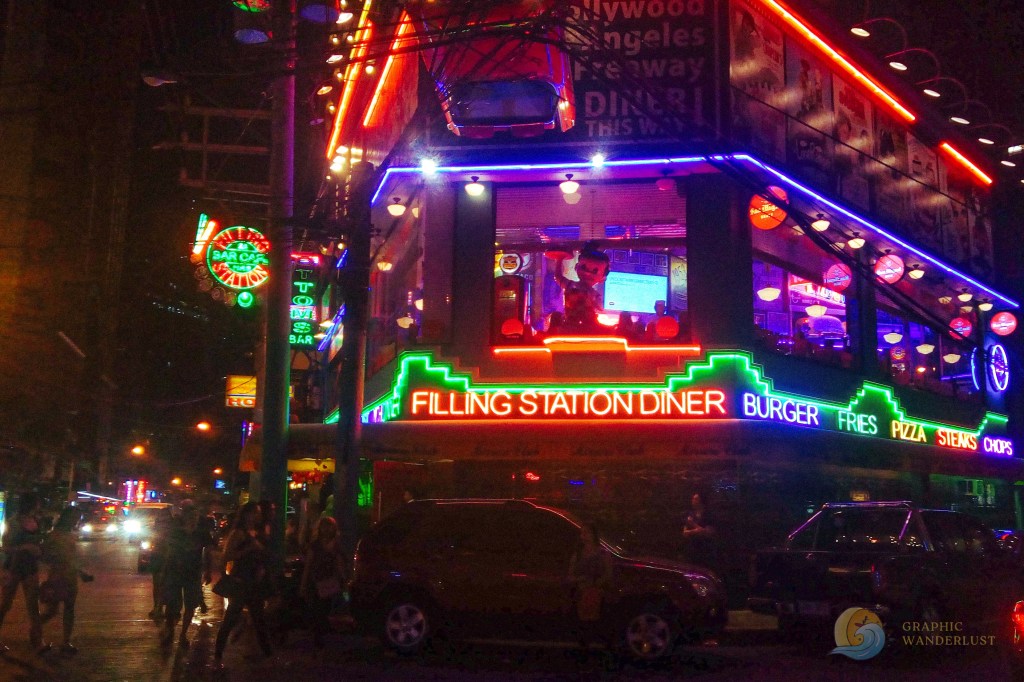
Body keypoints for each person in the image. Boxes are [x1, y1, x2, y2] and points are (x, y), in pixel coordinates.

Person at [213, 502, 273, 669]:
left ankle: (268, 655)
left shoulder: (258, 533)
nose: (257, 516)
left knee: (259, 619)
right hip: (242, 580)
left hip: (254, 581)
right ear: (246, 514)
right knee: (230, 619)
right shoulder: (239, 533)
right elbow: (227, 556)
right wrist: (247, 551)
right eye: (255, 513)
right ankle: (218, 655)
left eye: (259, 513)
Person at [160, 503, 215, 648]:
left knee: (190, 605)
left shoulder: (201, 531)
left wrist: (208, 570)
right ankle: (170, 629)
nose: (193, 517)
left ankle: (183, 633)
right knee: (173, 604)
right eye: (190, 514)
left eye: (194, 514)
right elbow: (168, 551)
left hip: (192, 572)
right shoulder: (176, 530)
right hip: (175, 571)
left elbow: (208, 551)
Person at [40, 507, 93, 654]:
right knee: (53, 610)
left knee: (67, 609)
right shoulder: (55, 536)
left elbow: (71, 558)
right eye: (76, 518)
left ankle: (66, 641)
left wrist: (80, 571)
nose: (77, 521)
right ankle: (35, 632)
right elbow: (45, 555)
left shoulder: (67, 535)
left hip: (68, 576)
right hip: (58, 576)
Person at [0, 492, 47, 653]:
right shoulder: (14, 522)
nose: (39, 506)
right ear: (32, 504)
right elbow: (5, 547)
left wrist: (40, 550)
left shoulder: (36, 521)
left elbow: (39, 543)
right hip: (14, 567)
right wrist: (25, 547)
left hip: (30, 567)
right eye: (37, 503)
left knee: (33, 605)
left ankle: (38, 641)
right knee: (5, 604)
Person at [299, 517, 347, 649]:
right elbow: (308, 566)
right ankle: (318, 637)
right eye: (324, 526)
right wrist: (303, 585)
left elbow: (339, 564)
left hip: (328, 581)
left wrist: (343, 580)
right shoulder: (315, 545)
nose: (326, 529)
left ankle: (319, 635)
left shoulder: (335, 545)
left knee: (324, 609)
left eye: (329, 526)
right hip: (315, 581)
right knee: (318, 609)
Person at [570, 523, 612, 647]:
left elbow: (608, 574)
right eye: (582, 533)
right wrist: (580, 580)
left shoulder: (603, 554)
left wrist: (596, 583)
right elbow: (570, 575)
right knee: (583, 626)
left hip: (598, 594)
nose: (584, 536)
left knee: (595, 624)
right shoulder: (577, 554)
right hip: (581, 594)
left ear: (594, 535)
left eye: (587, 533)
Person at [148, 512, 173, 620]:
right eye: (162, 521)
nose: (164, 524)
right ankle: (157, 607)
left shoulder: (173, 532)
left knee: (167, 584)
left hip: (169, 559)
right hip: (158, 558)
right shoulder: (155, 532)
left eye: (166, 521)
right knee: (157, 583)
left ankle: (163, 607)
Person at [682, 493, 717, 567]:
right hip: (692, 549)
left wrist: (693, 524)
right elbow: (685, 533)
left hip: (705, 550)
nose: (692, 500)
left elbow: (708, 533)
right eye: (692, 499)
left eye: (695, 499)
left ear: (701, 501)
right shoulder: (690, 514)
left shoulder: (708, 515)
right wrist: (696, 531)